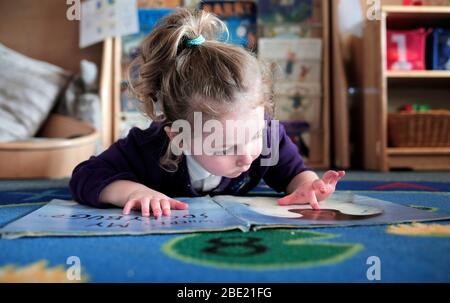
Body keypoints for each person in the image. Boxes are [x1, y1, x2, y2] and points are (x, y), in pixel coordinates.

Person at [69, 8, 345, 218]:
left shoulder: (267, 137)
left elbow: (293, 173)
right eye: (225, 147)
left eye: (255, 134)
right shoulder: (147, 148)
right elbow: (85, 175)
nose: (248, 154)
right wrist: (132, 192)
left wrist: (308, 185)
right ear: (180, 138)